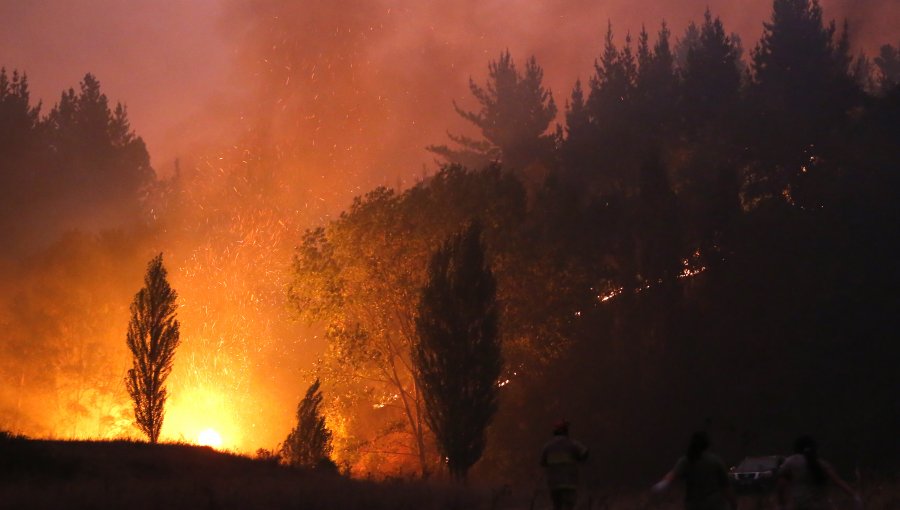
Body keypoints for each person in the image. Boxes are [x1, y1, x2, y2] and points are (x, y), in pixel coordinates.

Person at [652, 431, 737, 510]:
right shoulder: (716, 461)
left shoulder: (686, 460)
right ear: (707, 444)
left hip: (693, 505)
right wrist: (733, 504)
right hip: (714, 505)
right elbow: (726, 487)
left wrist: (662, 484)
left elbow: (673, 475)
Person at [776, 435, 862, 510]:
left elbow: (781, 485)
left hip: (799, 506)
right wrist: (854, 496)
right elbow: (838, 481)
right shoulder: (821, 463)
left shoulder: (791, 462)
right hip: (821, 506)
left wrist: (781, 505)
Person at [540, 420, 589, 510]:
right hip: (569, 483)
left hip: (554, 484)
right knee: (568, 506)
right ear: (566, 431)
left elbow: (543, 463)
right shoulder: (573, 444)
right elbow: (585, 453)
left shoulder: (547, 446)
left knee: (557, 507)